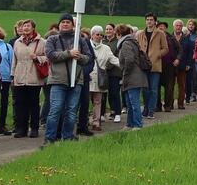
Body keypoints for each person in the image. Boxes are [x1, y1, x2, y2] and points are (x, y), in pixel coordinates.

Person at [44, 14, 92, 145]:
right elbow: (50, 55)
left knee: (71, 111)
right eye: (63, 22)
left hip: (76, 81)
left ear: (73, 25)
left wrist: (79, 56)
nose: (65, 24)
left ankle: (68, 137)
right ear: (59, 25)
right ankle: (50, 138)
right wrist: (68, 53)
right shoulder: (52, 39)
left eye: (68, 22)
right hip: (57, 80)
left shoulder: (80, 40)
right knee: (55, 110)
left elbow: (88, 58)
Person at [11, 19, 47, 139]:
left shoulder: (42, 42)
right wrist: (13, 75)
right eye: (24, 26)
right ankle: (22, 129)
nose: (25, 28)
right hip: (20, 76)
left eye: (28, 26)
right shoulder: (17, 42)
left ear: (33, 28)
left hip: (34, 77)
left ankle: (34, 128)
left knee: (34, 104)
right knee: (21, 104)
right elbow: (14, 60)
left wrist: (37, 58)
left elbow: (47, 58)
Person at [137, 13, 168, 119]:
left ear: (155, 21)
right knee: (145, 88)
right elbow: (137, 47)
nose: (149, 21)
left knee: (153, 89)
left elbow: (165, 49)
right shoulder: (140, 33)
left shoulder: (160, 34)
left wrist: (157, 55)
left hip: (155, 65)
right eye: (147, 19)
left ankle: (151, 110)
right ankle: (145, 108)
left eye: (151, 20)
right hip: (143, 65)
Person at [116, 24, 147, 130]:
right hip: (136, 75)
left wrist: (125, 71)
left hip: (133, 76)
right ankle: (129, 124)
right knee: (130, 102)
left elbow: (129, 60)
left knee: (134, 102)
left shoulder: (125, 44)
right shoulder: (132, 42)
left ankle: (138, 124)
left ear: (119, 34)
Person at [89, 26, 118, 130]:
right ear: (92, 35)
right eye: (97, 34)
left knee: (98, 101)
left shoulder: (106, 48)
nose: (99, 36)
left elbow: (113, 59)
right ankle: (83, 121)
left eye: (101, 34)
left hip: (100, 78)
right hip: (87, 77)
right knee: (84, 101)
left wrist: (125, 66)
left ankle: (96, 122)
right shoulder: (86, 46)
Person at [171, 19, 194, 111]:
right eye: (177, 25)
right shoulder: (169, 37)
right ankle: (170, 104)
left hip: (183, 64)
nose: (178, 27)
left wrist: (188, 63)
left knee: (182, 85)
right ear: (174, 26)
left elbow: (189, 52)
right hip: (171, 65)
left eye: (180, 25)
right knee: (170, 85)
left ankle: (180, 103)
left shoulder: (186, 38)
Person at [103, 23, 123, 123]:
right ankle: (111, 111)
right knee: (105, 94)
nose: (108, 31)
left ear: (114, 31)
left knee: (114, 93)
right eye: (106, 29)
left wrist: (108, 66)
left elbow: (117, 57)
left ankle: (118, 113)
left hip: (115, 71)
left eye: (110, 29)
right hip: (103, 72)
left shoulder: (118, 42)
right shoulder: (102, 41)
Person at [159, 21, 179, 112]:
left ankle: (168, 105)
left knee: (169, 86)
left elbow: (180, 49)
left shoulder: (171, 38)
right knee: (156, 86)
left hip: (169, 65)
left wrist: (177, 59)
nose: (161, 28)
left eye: (163, 26)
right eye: (159, 26)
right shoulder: (154, 37)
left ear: (166, 28)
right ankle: (157, 106)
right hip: (158, 65)